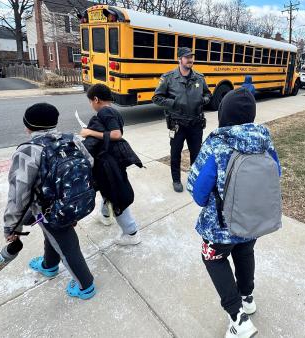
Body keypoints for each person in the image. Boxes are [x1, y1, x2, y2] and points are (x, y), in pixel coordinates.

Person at [187, 87, 281, 338]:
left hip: (220, 227)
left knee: (213, 259)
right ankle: (247, 297)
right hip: (253, 219)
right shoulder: (265, 142)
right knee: (245, 251)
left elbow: (197, 193)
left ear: (223, 114)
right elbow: (276, 175)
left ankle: (237, 318)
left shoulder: (217, 145)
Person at [3, 103, 96, 300]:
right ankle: (49, 265)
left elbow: (18, 195)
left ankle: (85, 286)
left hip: (49, 210)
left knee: (67, 244)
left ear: (28, 126)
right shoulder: (73, 140)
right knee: (53, 236)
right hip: (74, 202)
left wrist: (11, 227)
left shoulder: (28, 151)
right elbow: (90, 163)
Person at [80, 84, 142, 246]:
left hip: (109, 162)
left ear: (96, 99)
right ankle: (106, 216)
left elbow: (116, 134)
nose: (91, 105)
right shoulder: (113, 111)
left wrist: (89, 132)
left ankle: (131, 233)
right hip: (111, 160)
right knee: (107, 189)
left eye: (90, 101)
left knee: (116, 195)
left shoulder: (105, 111)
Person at [153, 47, 212, 193]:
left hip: (195, 123)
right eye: (187, 57)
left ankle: (194, 179)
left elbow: (208, 94)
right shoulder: (168, 78)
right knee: (175, 153)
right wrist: (174, 103)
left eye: (192, 57)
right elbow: (156, 98)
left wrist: (203, 100)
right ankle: (176, 180)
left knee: (196, 154)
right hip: (177, 124)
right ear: (179, 59)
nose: (190, 60)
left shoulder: (199, 77)